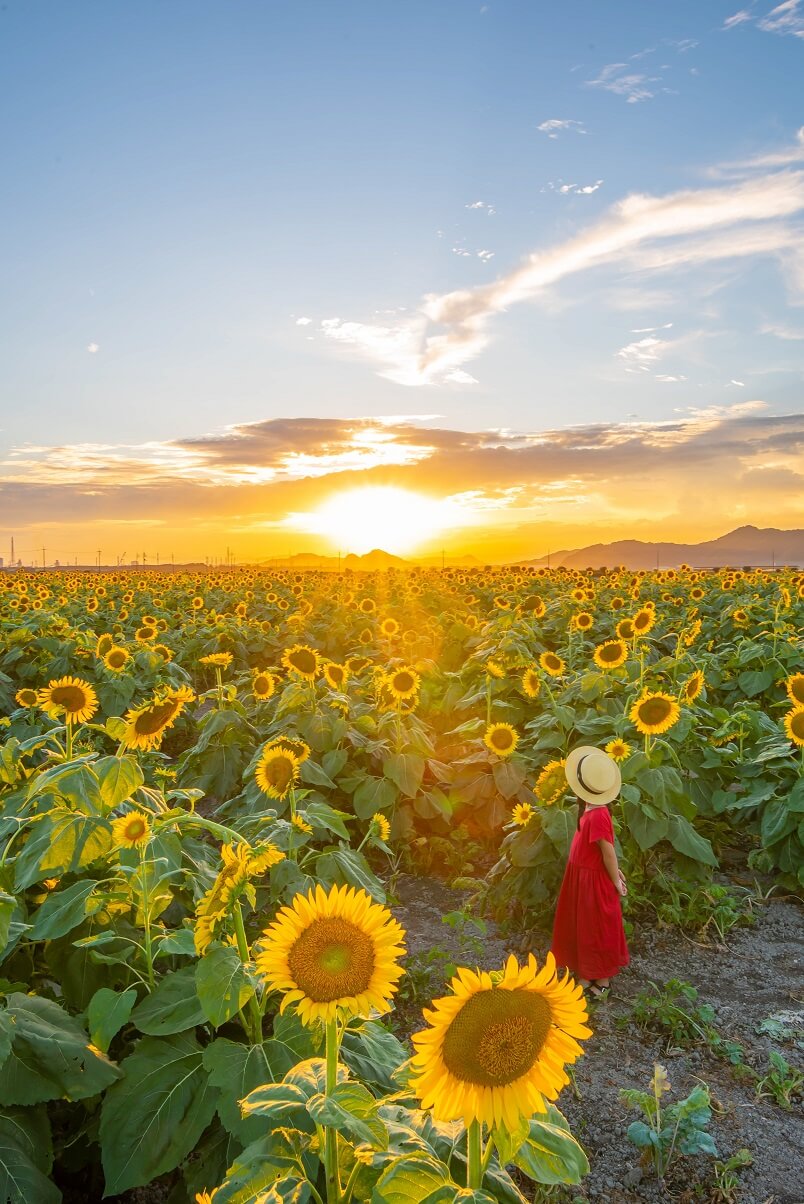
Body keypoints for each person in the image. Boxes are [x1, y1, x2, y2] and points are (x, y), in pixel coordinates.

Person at [551, 745, 629, 998]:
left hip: (593, 880)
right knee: (582, 926)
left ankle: (602, 979)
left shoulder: (599, 815)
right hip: (581, 877)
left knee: (597, 928)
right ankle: (585, 974)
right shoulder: (588, 809)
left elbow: (608, 852)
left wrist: (616, 879)